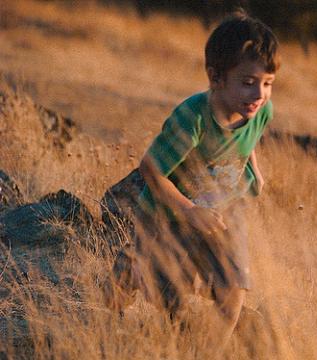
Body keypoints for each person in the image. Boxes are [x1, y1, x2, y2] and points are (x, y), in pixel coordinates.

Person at [106, 10, 280, 350]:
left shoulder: (260, 110)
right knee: (170, 298)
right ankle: (131, 270)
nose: (259, 93)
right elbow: (151, 170)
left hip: (222, 213)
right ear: (216, 78)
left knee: (234, 287)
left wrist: (254, 171)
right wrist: (188, 211)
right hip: (169, 216)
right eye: (247, 82)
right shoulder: (192, 120)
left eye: (267, 83)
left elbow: (248, 140)